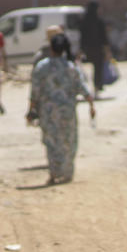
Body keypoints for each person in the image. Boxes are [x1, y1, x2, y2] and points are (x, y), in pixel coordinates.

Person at [27, 34, 95, 185]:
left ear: (51, 48)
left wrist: (30, 110)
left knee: (51, 142)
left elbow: (34, 92)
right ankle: (67, 172)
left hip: (48, 112)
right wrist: (91, 104)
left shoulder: (42, 67)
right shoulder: (71, 67)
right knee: (68, 141)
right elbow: (83, 88)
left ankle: (54, 173)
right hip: (68, 111)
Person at [80, 0, 111, 96]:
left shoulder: (84, 20)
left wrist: (81, 49)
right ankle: (97, 87)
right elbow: (104, 37)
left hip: (87, 48)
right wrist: (107, 51)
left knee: (92, 67)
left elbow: (82, 37)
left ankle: (93, 87)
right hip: (98, 48)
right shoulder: (99, 21)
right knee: (98, 68)